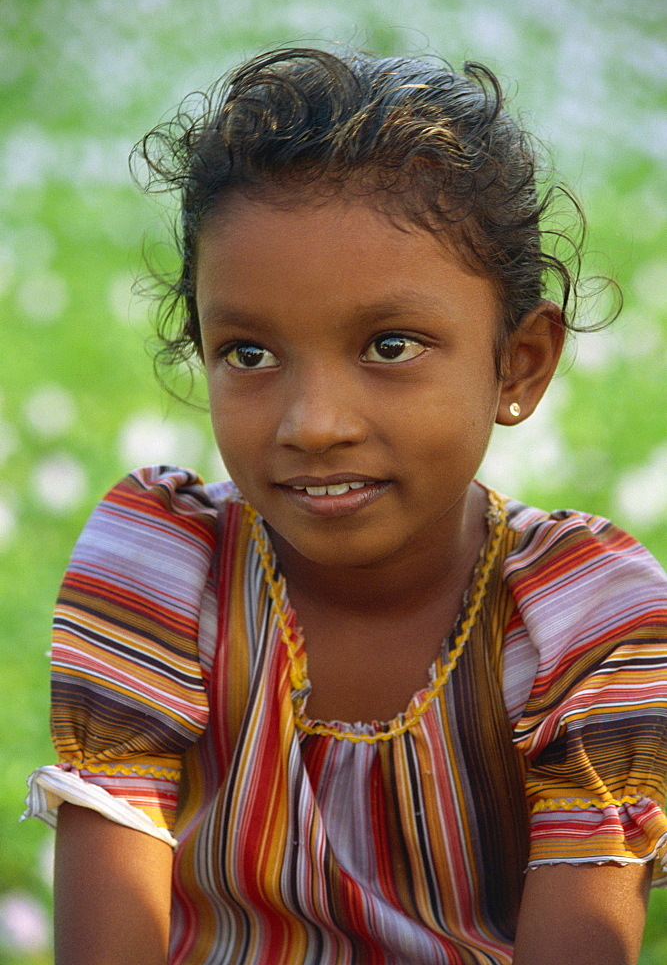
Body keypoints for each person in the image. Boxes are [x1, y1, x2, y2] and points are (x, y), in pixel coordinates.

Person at [23, 47, 667, 965]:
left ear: (517, 362)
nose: (312, 424)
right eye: (248, 353)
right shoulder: (166, 566)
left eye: (389, 345)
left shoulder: (580, 618)